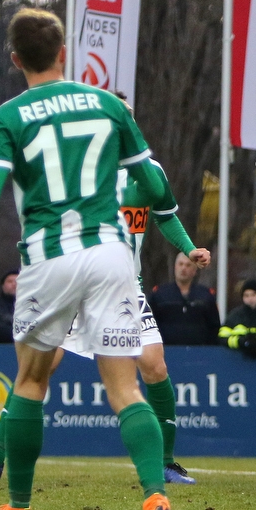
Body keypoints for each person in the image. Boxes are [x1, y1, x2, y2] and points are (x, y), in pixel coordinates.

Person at [0, 8, 177, 510]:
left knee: (31, 381)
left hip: (50, 256)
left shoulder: (8, 116)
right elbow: (155, 185)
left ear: (15, 60)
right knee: (125, 388)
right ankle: (155, 499)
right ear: (62, 55)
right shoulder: (105, 104)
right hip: (111, 254)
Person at [41, 111, 211, 486]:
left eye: (126, 123)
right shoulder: (77, 171)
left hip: (123, 285)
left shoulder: (150, 172)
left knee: (155, 366)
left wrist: (189, 248)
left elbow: (164, 215)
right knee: (42, 365)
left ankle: (165, 462)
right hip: (76, 282)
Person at [150, 252, 220, 345]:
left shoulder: (205, 295)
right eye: (180, 264)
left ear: (195, 270)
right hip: (167, 351)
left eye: (188, 265)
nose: (183, 268)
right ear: (175, 267)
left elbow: (214, 326)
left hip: (200, 352)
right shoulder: (160, 294)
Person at [0, 270, 18, 343]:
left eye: (18, 281)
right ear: (3, 286)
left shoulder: (34, 306)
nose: (14, 284)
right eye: (10, 281)